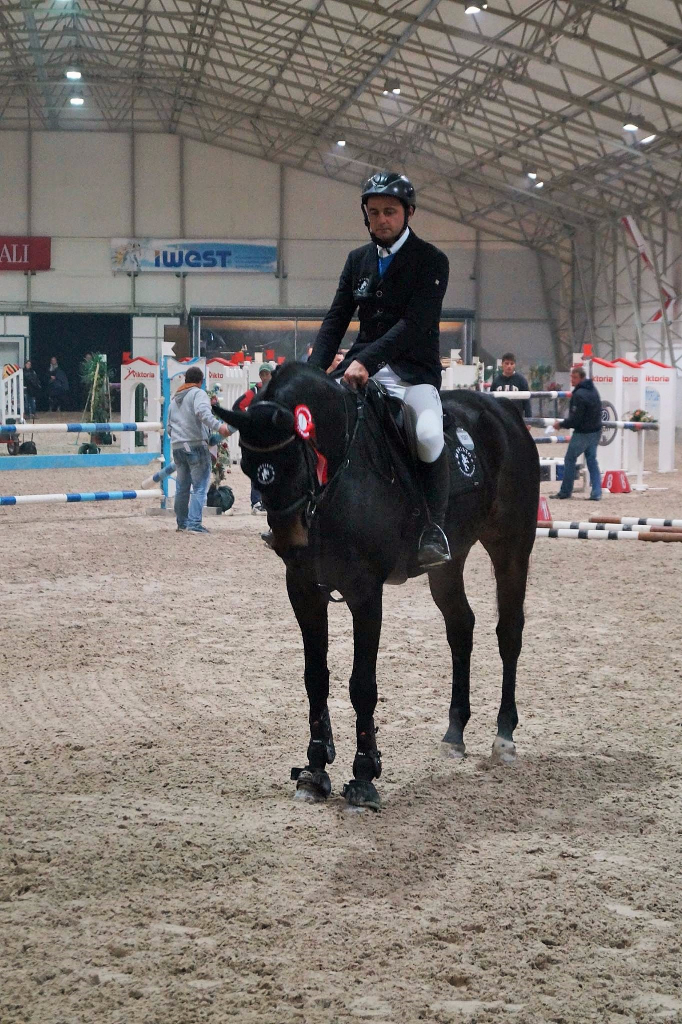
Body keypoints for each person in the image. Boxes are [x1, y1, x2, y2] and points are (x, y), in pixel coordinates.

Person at [307, 170, 451, 567]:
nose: (381, 220)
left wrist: (363, 362)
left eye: (390, 211)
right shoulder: (358, 261)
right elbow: (336, 321)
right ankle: (305, 516)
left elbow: (414, 324)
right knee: (314, 425)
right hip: (358, 368)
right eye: (374, 213)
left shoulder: (431, 260)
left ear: (408, 213)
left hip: (411, 373)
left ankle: (433, 530)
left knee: (426, 435)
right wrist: (312, 376)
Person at [167, 365, 230, 533]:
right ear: (200, 381)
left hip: (177, 446)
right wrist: (219, 426)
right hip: (195, 445)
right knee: (200, 486)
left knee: (182, 487)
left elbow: (168, 428)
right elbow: (203, 413)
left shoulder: (174, 399)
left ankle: (182, 523)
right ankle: (194, 524)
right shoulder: (198, 393)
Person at [550, 365, 603, 501]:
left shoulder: (579, 395)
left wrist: (560, 424)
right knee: (592, 460)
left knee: (569, 459)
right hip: (596, 431)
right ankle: (597, 492)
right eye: (571, 377)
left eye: (574, 377)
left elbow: (575, 420)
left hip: (583, 433)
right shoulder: (594, 391)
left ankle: (565, 491)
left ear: (581, 378)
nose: (572, 380)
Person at [233, 362, 274, 514]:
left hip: (272, 436)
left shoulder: (274, 389)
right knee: (258, 468)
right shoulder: (255, 391)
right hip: (259, 436)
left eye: (266, 374)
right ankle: (256, 501)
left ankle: (266, 501)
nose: (264, 377)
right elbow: (238, 406)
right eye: (262, 374)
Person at [490, 353, 532, 417]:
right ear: (502, 364)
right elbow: (491, 402)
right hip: (500, 417)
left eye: (512, 363)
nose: (509, 366)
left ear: (515, 365)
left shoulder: (521, 380)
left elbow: (526, 402)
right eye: (506, 363)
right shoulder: (496, 381)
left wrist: (529, 421)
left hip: (517, 417)